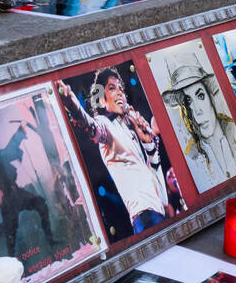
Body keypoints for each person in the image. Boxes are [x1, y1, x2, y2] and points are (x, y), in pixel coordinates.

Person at [57, 68, 170, 234]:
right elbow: (91, 126)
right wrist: (74, 108)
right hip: (145, 217)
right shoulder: (106, 125)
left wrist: (150, 146)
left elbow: (158, 188)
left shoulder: (133, 133)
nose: (119, 93)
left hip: (159, 214)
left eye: (121, 89)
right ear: (102, 101)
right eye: (112, 88)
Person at [159, 51, 236, 186]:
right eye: (188, 101)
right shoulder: (193, 155)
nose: (197, 110)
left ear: (210, 96)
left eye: (200, 96)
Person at [0, 111, 56, 262]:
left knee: (41, 204)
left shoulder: (1, 157)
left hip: (15, 194)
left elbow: (11, 145)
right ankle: (11, 259)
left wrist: (21, 128)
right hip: (6, 201)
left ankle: (50, 239)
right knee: (10, 232)